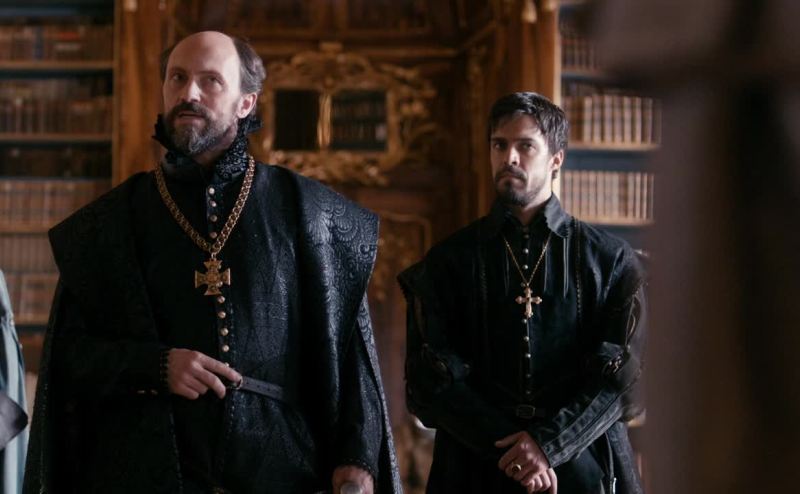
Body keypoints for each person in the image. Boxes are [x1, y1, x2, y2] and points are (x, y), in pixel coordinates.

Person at [23, 31, 400, 494]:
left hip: (282, 473)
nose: (189, 93)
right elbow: (69, 358)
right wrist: (156, 366)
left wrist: (356, 461)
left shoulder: (308, 211)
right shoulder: (111, 222)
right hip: (146, 473)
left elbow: (352, 355)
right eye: (177, 78)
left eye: (210, 80)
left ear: (246, 103)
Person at [399, 92, 647, 494]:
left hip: (584, 468)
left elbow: (626, 382)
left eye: (525, 146)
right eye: (499, 145)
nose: (509, 157)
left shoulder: (609, 259)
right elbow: (428, 384)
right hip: (475, 469)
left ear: (556, 159)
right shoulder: (449, 260)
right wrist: (516, 453)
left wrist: (548, 446)